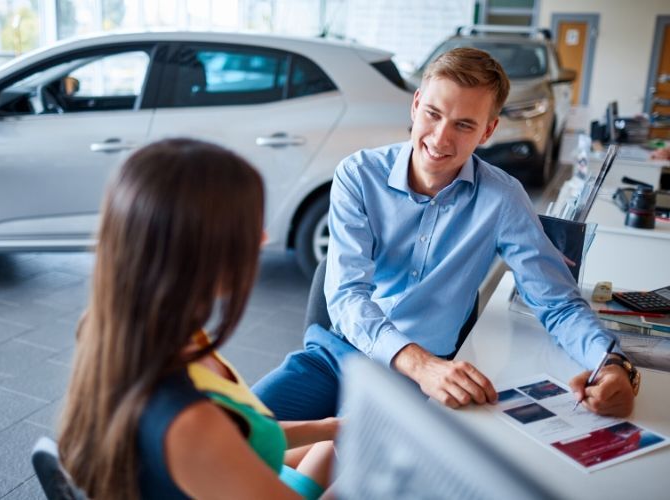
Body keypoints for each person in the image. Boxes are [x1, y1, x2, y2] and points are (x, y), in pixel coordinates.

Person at [253, 47, 639, 421]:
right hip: (337, 354)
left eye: (464, 125)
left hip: (418, 379)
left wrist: (610, 362)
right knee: (234, 428)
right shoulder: (358, 175)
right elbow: (346, 295)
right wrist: (419, 364)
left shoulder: (502, 199)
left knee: (342, 470)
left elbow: (557, 302)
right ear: (416, 103)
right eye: (433, 114)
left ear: (488, 130)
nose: (440, 138)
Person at [58, 139, 337, 500]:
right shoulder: (189, 422)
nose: (263, 238)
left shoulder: (120, 330)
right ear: (202, 253)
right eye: (249, 228)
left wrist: (329, 426)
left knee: (334, 447)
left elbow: (234, 434)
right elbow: (215, 439)